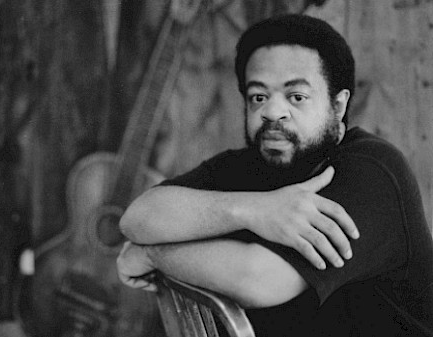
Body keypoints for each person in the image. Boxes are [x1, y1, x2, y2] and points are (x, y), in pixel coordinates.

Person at [116, 14, 433, 336]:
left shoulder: (372, 170)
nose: (271, 111)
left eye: (296, 97)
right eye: (259, 96)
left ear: (337, 106)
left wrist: (151, 253)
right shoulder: (244, 166)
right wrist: (254, 209)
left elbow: (257, 280)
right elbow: (137, 218)